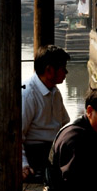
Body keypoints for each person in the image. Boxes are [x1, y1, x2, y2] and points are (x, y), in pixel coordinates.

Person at [22, 45, 70, 180]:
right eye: (63, 68)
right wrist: (23, 164)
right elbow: (16, 136)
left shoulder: (55, 91)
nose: (66, 72)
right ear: (49, 70)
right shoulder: (28, 94)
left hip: (53, 149)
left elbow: (64, 122)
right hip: (35, 154)